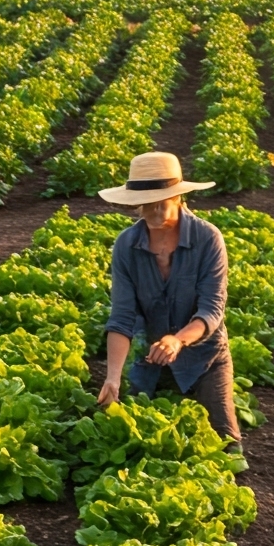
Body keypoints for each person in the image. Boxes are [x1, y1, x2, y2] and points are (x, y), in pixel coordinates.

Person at [96, 150, 240, 443]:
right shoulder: (126, 245)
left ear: (180, 199)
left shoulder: (207, 239)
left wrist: (178, 340)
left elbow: (212, 310)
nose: (155, 214)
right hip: (150, 357)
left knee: (226, 442)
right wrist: (112, 377)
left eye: (163, 205)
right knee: (133, 438)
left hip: (204, 356)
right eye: (146, 206)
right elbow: (122, 317)